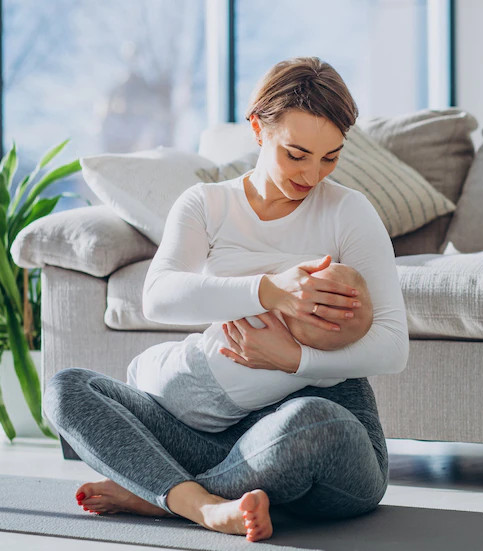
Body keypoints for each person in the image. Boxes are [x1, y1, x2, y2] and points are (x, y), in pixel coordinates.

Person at [42, 56, 408, 543]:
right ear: (258, 129)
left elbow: (392, 345)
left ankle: (165, 496)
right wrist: (269, 290)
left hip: (318, 440)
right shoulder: (208, 204)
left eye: (330, 157)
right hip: (212, 435)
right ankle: (208, 505)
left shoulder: (349, 212)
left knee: (312, 423)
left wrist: (294, 359)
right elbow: (159, 296)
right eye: (296, 154)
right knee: (65, 389)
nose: (313, 175)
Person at [127, 255, 375, 433]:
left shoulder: (261, 312)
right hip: (213, 421)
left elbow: (224, 293)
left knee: (137, 368)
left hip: (185, 369)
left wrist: (275, 287)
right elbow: (341, 372)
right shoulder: (319, 373)